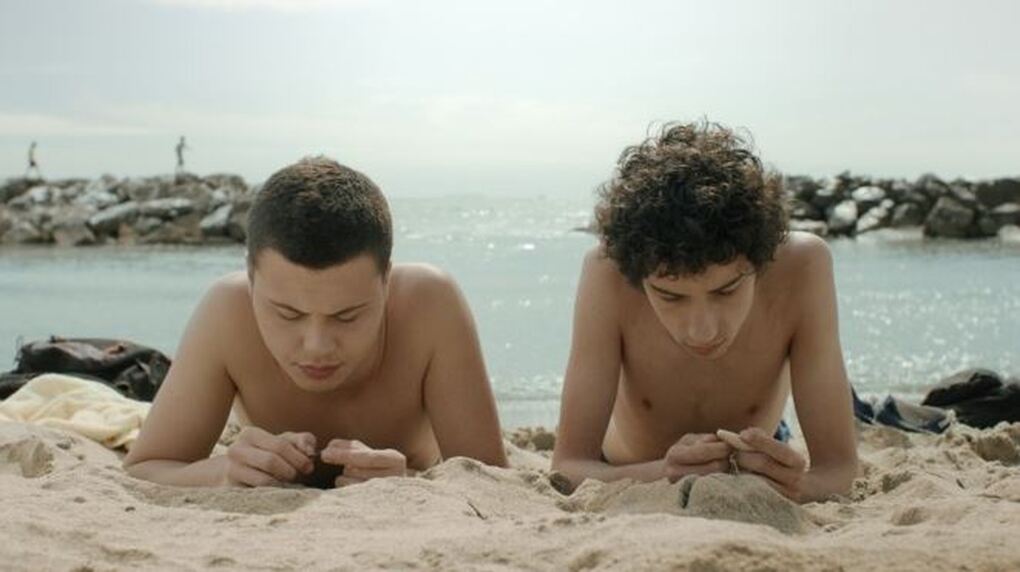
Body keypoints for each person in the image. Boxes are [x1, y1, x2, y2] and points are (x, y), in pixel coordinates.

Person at [124, 157, 508, 488]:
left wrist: (406, 483)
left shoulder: (429, 305)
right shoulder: (227, 311)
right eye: (288, 314)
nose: (317, 346)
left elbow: (492, 481)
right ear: (251, 279)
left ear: (386, 281)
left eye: (347, 315)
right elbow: (146, 468)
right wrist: (223, 472)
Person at [551, 121, 858, 502]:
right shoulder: (608, 271)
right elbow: (569, 467)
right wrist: (663, 472)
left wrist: (799, 485)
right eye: (669, 296)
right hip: (620, 463)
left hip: (756, 453)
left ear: (762, 261)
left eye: (727, 290)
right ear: (639, 278)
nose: (702, 331)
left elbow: (840, 471)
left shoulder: (803, 265)